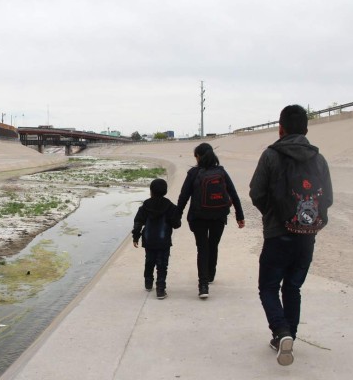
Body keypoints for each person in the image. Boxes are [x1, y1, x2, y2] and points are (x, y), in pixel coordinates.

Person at [249, 104, 333, 366]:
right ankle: (289, 337)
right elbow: (327, 199)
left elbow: (256, 193)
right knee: (293, 287)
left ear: (280, 129)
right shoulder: (319, 159)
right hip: (307, 235)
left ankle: (281, 332)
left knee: (269, 287)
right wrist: (306, 219)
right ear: (306, 130)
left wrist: (274, 215)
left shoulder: (271, 155)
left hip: (277, 234)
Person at [176, 143, 245, 299]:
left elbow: (183, 196)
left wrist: (177, 216)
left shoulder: (193, 173)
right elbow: (233, 194)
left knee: (202, 247)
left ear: (198, 157)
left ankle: (203, 285)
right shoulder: (221, 172)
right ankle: (211, 274)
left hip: (198, 216)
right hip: (219, 216)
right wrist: (240, 216)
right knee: (213, 245)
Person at [132, 178, 181, 299]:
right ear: (165, 191)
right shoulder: (170, 206)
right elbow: (177, 224)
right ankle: (160, 289)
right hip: (163, 241)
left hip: (148, 240)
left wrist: (136, 236)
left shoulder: (145, 206)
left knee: (149, 261)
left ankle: (148, 283)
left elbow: (138, 222)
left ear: (151, 191)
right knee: (162, 265)